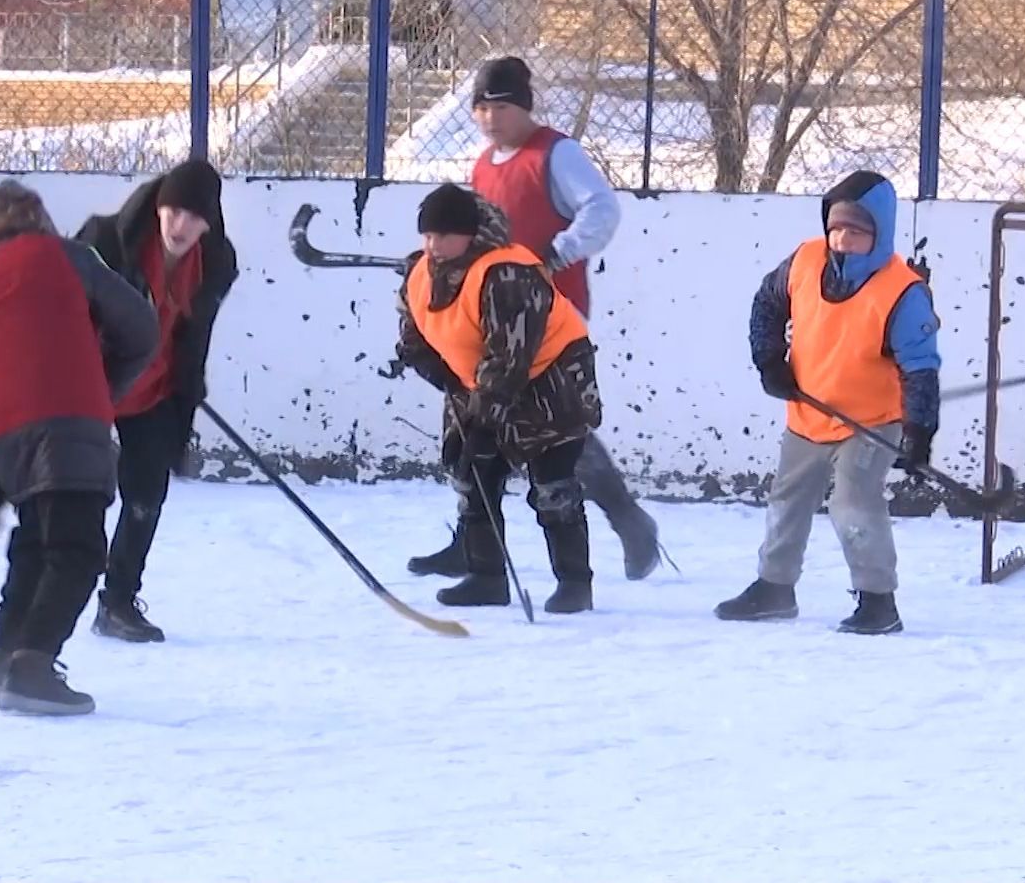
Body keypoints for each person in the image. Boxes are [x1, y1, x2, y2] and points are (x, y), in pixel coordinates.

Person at [406, 54, 663, 582]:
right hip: (491, 318)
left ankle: (628, 521)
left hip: (549, 315)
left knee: (555, 432)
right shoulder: (481, 165)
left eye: (501, 106)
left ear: (524, 108)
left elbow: (602, 209)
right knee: (483, 422)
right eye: (481, 106)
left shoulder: (555, 154)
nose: (490, 117)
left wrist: (556, 252)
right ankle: (473, 543)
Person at [0, 179, 160, 715]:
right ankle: (31, 668)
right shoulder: (71, 260)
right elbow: (143, 330)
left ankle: (4, 657)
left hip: (2, 437)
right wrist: (99, 391)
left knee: (37, 544)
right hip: (70, 425)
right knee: (76, 551)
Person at [715, 170, 941, 634]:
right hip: (808, 411)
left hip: (872, 422)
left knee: (854, 503)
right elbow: (767, 304)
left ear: (880, 233)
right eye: (836, 227)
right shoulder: (804, 260)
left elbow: (920, 366)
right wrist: (770, 362)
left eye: (856, 231)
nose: (841, 239)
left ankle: (878, 600)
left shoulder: (901, 290)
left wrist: (919, 432)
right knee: (788, 500)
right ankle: (774, 587)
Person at [396, 184, 602, 615]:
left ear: (470, 234)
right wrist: (441, 375)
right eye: (427, 235)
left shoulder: (509, 272)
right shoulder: (419, 272)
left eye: (444, 236)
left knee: (552, 485)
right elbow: (413, 335)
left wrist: (486, 419)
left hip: (551, 381)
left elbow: (511, 355)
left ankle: (574, 584)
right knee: (472, 477)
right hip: (477, 383)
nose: (433, 246)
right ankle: (486, 577)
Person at [73, 159, 239, 642]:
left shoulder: (215, 262)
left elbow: (195, 327)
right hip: (92, 385)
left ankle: (118, 602)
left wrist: (190, 380)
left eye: (195, 216)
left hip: (156, 388)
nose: (181, 225)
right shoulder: (105, 241)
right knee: (76, 494)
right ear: (158, 207)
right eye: (174, 211)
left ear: (210, 222)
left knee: (146, 496)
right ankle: (47, 603)